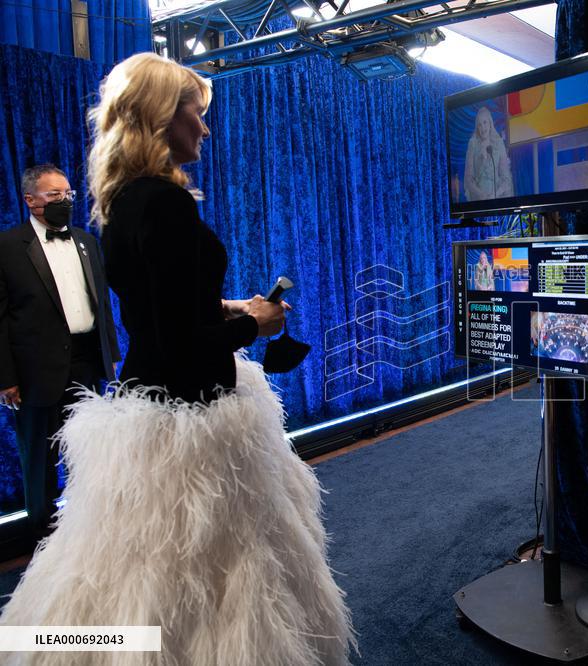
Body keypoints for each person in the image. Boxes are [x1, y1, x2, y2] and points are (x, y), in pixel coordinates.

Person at [0, 53, 354, 664]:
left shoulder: (120, 203)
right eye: (198, 113)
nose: (206, 129)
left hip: (149, 407)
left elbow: (160, 304)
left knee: (136, 576)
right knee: (211, 583)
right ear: (164, 116)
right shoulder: (165, 203)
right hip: (189, 415)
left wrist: (226, 304)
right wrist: (256, 320)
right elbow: (180, 346)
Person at [0, 164, 120, 542]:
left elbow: (101, 305)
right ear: (30, 200)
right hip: (35, 370)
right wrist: (6, 379)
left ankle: (89, 537)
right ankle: (43, 542)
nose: (64, 201)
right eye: (54, 196)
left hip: (85, 362)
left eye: (67, 194)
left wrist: (110, 358)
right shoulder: (7, 247)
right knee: (40, 462)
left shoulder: (86, 241)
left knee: (90, 454)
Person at [464, 107, 514, 201]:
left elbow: (506, 179)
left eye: (485, 122)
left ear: (490, 123)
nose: (483, 128)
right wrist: (480, 194)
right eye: (479, 125)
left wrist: (495, 195)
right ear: (477, 127)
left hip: (496, 198)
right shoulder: (473, 144)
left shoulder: (499, 143)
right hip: (478, 199)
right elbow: (468, 179)